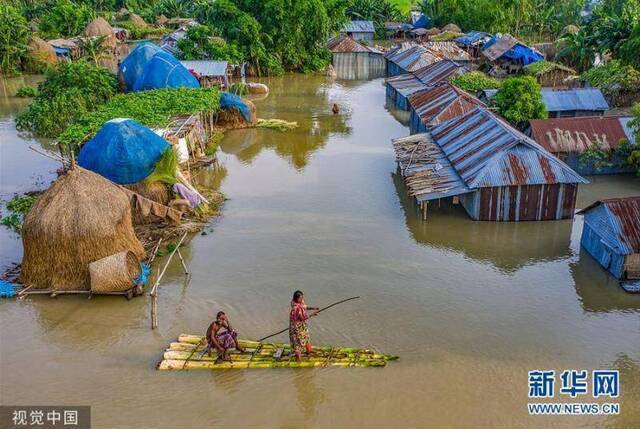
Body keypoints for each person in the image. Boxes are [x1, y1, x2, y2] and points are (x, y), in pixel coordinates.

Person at [289, 291, 319, 361]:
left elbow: (304, 307)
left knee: (306, 336)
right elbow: (302, 318)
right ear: (297, 299)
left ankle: (309, 350)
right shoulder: (296, 308)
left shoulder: (295, 302)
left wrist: (313, 308)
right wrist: (312, 314)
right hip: (296, 327)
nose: (303, 299)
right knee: (297, 341)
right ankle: (298, 358)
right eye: (301, 298)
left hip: (301, 325)